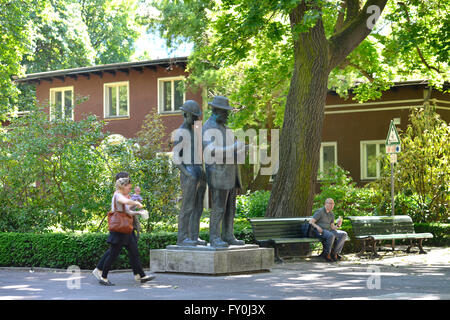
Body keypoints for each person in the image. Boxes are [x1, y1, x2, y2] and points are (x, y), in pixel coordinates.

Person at [202, 96, 246, 247]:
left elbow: (232, 150)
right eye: (225, 112)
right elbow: (211, 150)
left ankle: (228, 235)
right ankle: (214, 237)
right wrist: (235, 147)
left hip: (231, 173)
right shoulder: (207, 128)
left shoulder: (226, 129)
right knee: (219, 206)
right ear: (216, 111)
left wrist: (242, 149)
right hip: (218, 173)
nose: (228, 115)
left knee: (230, 207)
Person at [94, 176, 154, 286]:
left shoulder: (123, 195)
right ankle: (103, 277)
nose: (129, 190)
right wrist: (135, 203)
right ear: (122, 186)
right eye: (128, 188)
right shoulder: (118, 195)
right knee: (113, 254)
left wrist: (139, 213)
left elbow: (127, 212)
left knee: (134, 252)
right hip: (119, 230)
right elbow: (123, 201)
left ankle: (142, 275)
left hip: (126, 229)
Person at [172, 100, 207, 246]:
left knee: (198, 207)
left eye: (196, 117)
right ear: (185, 114)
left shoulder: (195, 131)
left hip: (200, 171)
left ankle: (194, 236)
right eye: (193, 117)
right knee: (187, 207)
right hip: (190, 172)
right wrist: (187, 173)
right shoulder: (181, 133)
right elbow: (176, 158)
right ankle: (182, 237)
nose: (196, 119)